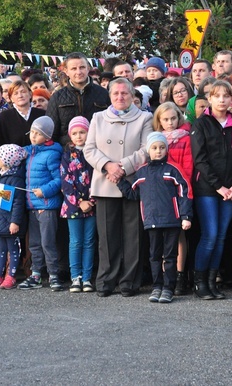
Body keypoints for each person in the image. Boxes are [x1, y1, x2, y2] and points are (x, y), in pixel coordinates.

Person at [84, 78, 152, 297]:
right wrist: (108, 166)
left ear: (133, 96)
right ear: (110, 96)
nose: (120, 97)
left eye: (124, 93)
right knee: (107, 235)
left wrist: (123, 167)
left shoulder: (145, 118)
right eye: (116, 94)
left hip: (132, 181)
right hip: (106, 182)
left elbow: (146, 150)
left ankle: (130, 281)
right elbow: (89, 149)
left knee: (134, 236)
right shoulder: (97, 118)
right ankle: (106, 280)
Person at [118, 132, 192, 304]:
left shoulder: (173, 169)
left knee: (171, 255)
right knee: (154, 256)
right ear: (148, 150)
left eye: (162, 148)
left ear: (166, 150)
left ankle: (168, 288)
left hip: (172, 220)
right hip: (151, 221)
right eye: (154, 148)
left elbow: (184, 192)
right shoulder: (142, 172)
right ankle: (157, 286)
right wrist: (120, 181)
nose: (158, 151)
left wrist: (186, 216)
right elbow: (133, 194)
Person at [190, 80, 232, 300]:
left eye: (226, 95)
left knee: (221, 236)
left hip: (231, 189)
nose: (222, 99)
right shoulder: (201, 124)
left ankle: (212, 282)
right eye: (217, 95)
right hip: (208, 189)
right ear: (209, 99)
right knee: (210, 235)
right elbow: (200, 159)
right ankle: (200, 282)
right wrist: (218, 186)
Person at [17, 116, 64, 291]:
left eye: (38, 134)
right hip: (32, 206)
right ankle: (35, 274)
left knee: (48, 242)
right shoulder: (29, 151)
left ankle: (53, 275)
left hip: (46, 205)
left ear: (47, 136)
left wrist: (44, 191)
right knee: (34, 243)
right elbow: (16, 153)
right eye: (32, 132)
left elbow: (59, 180)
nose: (33, 136)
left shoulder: (52, 154)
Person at [153, 102, 193, 294]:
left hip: (177, 191)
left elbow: (188, 168)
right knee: (160, 235)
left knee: (178, 235)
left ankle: (178, 274)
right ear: (159, 121)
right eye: (165, 119)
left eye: (173, 119)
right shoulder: (155, 140)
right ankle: (162, 276)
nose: (170, 123)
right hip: (159, 192)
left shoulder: (185, 139)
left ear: (179, 118)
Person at [60, 117, 96, 293]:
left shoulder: (93, 153)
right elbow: (66, 181)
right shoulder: (67, 155)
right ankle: (76, 277)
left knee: (89, 241)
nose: (79, 136)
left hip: (92, 205)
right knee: (75, 241)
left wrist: (91, 201)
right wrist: (79, 201)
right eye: (75, 133)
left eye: (82, 132)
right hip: (73, 206)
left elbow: (98, 178)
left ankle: (87, 277)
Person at [0, 144, 28, 289]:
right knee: (1, 248)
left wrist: (15, 222)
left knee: (13, 248)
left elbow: (18, 203)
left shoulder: (16, 179)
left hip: (10, 222)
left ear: (6, 160)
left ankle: (11, 275)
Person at [47, 52, 109, 146]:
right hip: (67, 153)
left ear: (88, 68)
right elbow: (52, 133)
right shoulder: (57, 97)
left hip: (99, 151)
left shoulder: (103, 94)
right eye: (74, 68)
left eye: (82, 67)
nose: (78, 72)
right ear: (66, 71)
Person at [0, 80, 45, 148]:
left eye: (23, 92)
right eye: (16, 93)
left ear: (30, 94)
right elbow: (0, 143)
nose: (20, 96)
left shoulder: (41, 114)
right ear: (11, 98)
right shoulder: (5, 117)